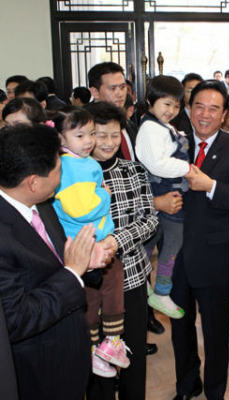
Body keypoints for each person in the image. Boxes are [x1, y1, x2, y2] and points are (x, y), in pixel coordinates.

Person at [170, 80, 229, 400]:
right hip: (174, 256)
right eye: (199, 106)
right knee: (180, 328)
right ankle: (187, 385)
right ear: (188, 109)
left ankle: (215, 391)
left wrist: (211, 186)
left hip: (216, 255)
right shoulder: (172, 143)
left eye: (213, 109)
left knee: (216, 330)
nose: (205, 115)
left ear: (224, 115)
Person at [0, 124, 97, 399]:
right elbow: (15, 319)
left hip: (70, 354)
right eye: (58, 169)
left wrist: (86, 261)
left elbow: (55, 263)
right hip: (39, 373)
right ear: (33, 182)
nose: (62, 175)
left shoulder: (42, 203)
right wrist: (73, 272)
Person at [85, 101, 159, 400]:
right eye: (100, 135)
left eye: (114, 135)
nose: (108, 142)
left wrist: (116, 241)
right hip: (91, 283)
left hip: (132, 278)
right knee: (95, 358)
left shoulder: (134, 171)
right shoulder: (74, 175)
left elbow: (150, 219)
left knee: (133, 353)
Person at [50, 106, 127, 378]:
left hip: (89, 238)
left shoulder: (80, 163)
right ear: (61, 138)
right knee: (108, 288)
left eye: (91, 133)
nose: (89, 141)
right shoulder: (72, 166)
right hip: (86, 240)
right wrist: (105, 195)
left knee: (95, 296)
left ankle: (98, 347)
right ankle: (106, 345)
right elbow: (81, 208)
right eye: (80, 135)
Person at [135, 75, 190, 319]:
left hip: (169, 190)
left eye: (176, 106)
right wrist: (188, 169)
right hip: (164, 191)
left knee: (150, 239)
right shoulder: (150, 128)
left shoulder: (162, 126)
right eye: (166, 104)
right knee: (173, 242)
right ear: (150, 100)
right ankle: (161, 291)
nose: (171, 111)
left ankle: (140, 280)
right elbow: (157, 164)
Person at [88, 62, 137, 161]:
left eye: (122, 87)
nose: (120, 94)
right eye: (113, 88)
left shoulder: (127, 121)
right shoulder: (84, 122)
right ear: (95, 92)